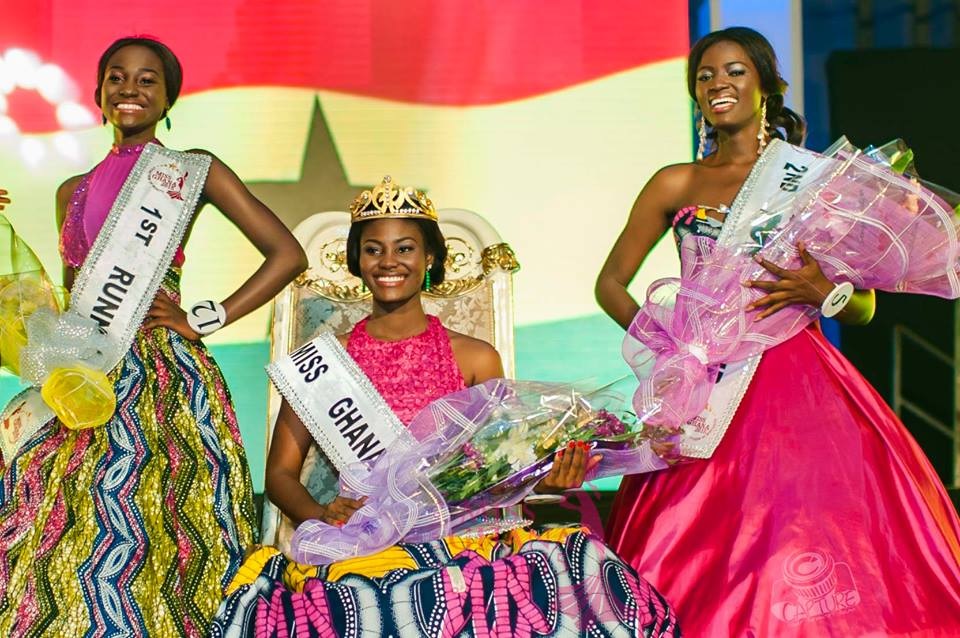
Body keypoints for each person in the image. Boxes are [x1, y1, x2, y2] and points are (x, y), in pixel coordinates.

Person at [596, 26, 960, 637]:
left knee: (808, 517)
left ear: (766, 86)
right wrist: (671, 347)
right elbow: (610, 283)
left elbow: (862, 308)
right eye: (706, 75)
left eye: (735, 71)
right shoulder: (675, 183)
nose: (719, 84)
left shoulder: (812, 180)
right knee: (703, 532)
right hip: (705, 386)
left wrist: (827, 293)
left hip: (798, 374)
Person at [210, 177, 680, 637]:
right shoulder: (323, 365)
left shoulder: (475, 357)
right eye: (373, 249)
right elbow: (279, 476)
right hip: (366, 542)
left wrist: (554, 470)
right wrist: (322, 512)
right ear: (356, 260)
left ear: (430, 256)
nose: (389, 261)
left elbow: (502, 464)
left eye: (405, 248)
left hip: (460, 540)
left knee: (574, 576)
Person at [0, 37, 307, 636]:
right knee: (61, 527)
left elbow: (287, 254)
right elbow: (71, 300)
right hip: (88, 373)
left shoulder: (192, 169)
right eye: (117, 78)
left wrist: (203, 318)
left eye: (147, 80)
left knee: (166, 529)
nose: (130, 90)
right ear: (98, 93)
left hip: (164, 375)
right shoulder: (72, 190)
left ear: (168, 97)